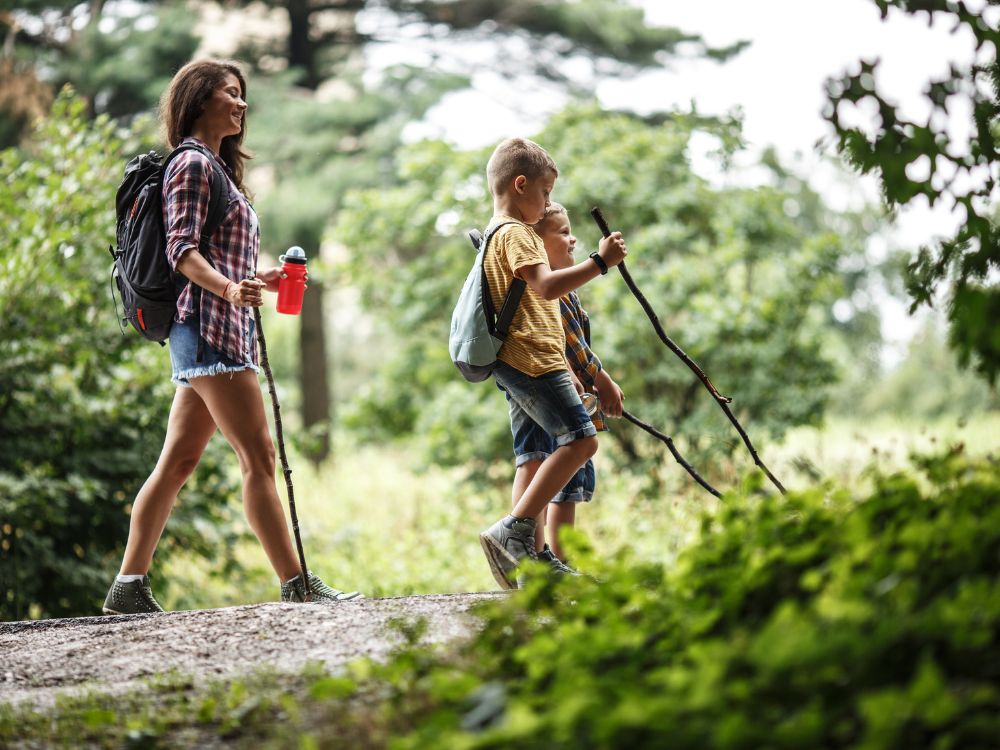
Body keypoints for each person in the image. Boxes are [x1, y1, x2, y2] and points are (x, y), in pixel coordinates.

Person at [103, 59, 359, 615]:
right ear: (198, 100)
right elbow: (181, 251)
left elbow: (215, 252)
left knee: (177, 463)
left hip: (210, 328)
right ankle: (298, 584)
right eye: (228, 93)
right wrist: (227, 290)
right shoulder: (192, 165)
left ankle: (128, 585)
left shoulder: (217, 169)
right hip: (210, 329)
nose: (241, 104)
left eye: (242, 95)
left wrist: (256, 280)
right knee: (259, 458)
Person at [477, 137, 627, 589]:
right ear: (520, 185)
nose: (546, 205)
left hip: (520, 360)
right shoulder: (517, 234)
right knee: (581, 440)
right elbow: (545, 287)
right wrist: (600, 262)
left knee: (534, 454)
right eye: (544, 193)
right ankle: (515, 531)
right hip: (535, 360)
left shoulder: (496, 233)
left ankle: (534, 560)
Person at [531, 203, 625, 566]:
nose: (572, 239)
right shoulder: (551, 293)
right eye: (562, 232)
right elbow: (574, 345)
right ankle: (555, 561)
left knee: (569, 488)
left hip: (576, 398)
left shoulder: (563, 289)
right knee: (563, 484)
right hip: (564, 399)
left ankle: (562, 562)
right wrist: (604, 381)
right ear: (537, 245)